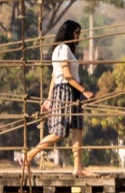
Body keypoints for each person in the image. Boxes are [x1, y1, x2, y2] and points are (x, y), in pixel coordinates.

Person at [23, 19, 91, 175]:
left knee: (77, 129)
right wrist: (85, 90)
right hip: (66, 91)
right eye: (76, 33)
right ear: (68, 32)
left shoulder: (66, 50)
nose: (78, 36)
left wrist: (49, 99)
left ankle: (78, 168)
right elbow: (65, 75)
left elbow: (54, 75)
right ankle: (29, 155)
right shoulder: (63, 48)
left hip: (72, 93)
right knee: (59, 132)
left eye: (79, 33)